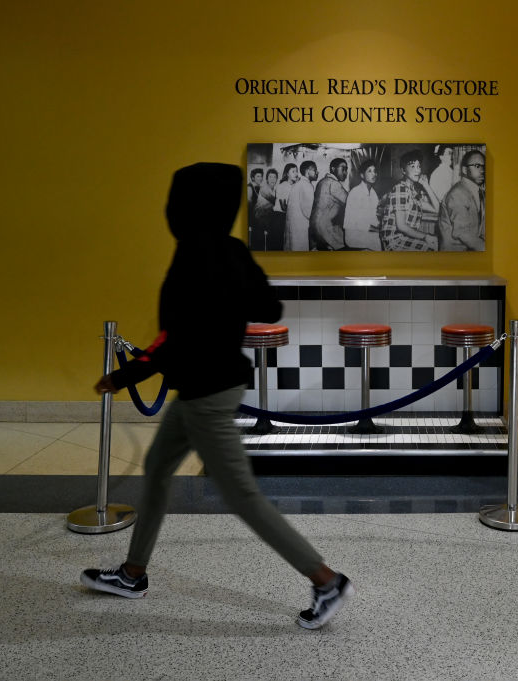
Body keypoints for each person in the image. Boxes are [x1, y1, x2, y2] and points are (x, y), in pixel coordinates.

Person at [80, 162, 353, 630]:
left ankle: (325, 580)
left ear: (186, 206)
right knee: (158, 468)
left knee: (243, 496)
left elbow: (175, 336)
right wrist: (230, 300)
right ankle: (133, 573)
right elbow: (268, 306)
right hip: (209, 389)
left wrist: (125, 376)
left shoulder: (192, 254)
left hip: (205, 395)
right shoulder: (232, 250)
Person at [379, 149, 439, 251]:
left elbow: (436, 208)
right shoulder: (400, 189)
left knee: (436, 244)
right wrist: (426, 236)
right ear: (403, 170)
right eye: (412, 166)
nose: (418, 170)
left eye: (419, 166)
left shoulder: (412, 192)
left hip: (406, 238)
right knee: (431, 248)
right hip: (394, 241)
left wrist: (426, 185)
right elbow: (401, 226)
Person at [438, 150, 486, 251]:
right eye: (477, 166)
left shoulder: (479, 192)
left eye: (484, 166)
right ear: (464, 170)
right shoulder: (457, 193)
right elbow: (462, 232)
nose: (482, 170)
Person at [310, 158, 349, 250]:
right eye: (343, 169)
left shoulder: (321, 181)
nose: (345, 172)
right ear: (333, 169)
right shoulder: (333, 183)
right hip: (326, 228)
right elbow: (350, 202)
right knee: (348, 244)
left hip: (314, 228)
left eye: (346, 169)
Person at [342, 160, 381, 250]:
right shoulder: (355, 192)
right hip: (355, 234)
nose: (374, 174)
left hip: (367, 230)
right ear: (362, 175)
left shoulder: (373, 192)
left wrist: (380, 225)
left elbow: (374, 215)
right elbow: (358, 222)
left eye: (375, 171)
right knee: (380, 241)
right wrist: (377, 230)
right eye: (369, 171)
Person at [285, 160, 317, 251]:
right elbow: (309, 212)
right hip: (301, 228)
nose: (317, 172)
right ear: (307, 171)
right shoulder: (307, 186)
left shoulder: (298, 184)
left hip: (294, 227)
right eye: (314, 170)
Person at [251, 168, 278, 250]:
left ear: (277, 179)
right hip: (258, 220)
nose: (272, 179)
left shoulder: (275, 190)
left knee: (267, 244)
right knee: (259, 246)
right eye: (270, 177)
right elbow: (274, 200)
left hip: (266, 220)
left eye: (274, 177)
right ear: (266, 179)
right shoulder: (264, 189)